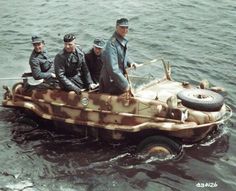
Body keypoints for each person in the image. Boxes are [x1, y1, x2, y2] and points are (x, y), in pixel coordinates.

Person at [99, 18, 138, 95]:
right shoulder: (112, 44)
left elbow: (122, 56)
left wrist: (131, 62)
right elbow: (113, 68)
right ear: (116, 27)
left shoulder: (121, 41)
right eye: (122, 27)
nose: (124, 30)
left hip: (118, 79)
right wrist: (125, 84)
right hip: (111, 82)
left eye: (126, 27)